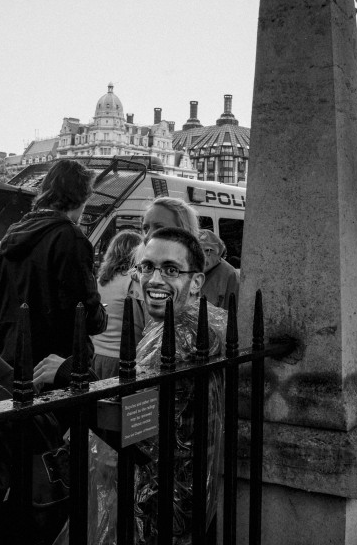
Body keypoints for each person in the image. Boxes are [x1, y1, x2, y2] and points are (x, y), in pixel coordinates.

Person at [91, 227, 224, 544]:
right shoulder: (200, 321)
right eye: (147, 266)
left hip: (161, 501)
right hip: (181, 494)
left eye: (171, 270)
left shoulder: (179, 337)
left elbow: (133, 425)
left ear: (196, 282)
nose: (154, 279)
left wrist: (67, 378)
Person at [0, 159, 107, 391]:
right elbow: (83, 312)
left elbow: (2, 303)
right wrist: (101, 315)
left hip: (15, 360)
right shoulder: (70, 237)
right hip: (55, 368)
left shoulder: (12, 234)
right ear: (80, 197)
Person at [91, 230, 145, 379]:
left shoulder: (100, 281)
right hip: (122, 359)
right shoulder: (133, 281)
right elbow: (144, 325)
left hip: (96, 355)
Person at [197, 229, 239, 309]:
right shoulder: (190, 270)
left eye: (208, 250)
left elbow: (233, 309)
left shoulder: (230, 275)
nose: (203, 256)